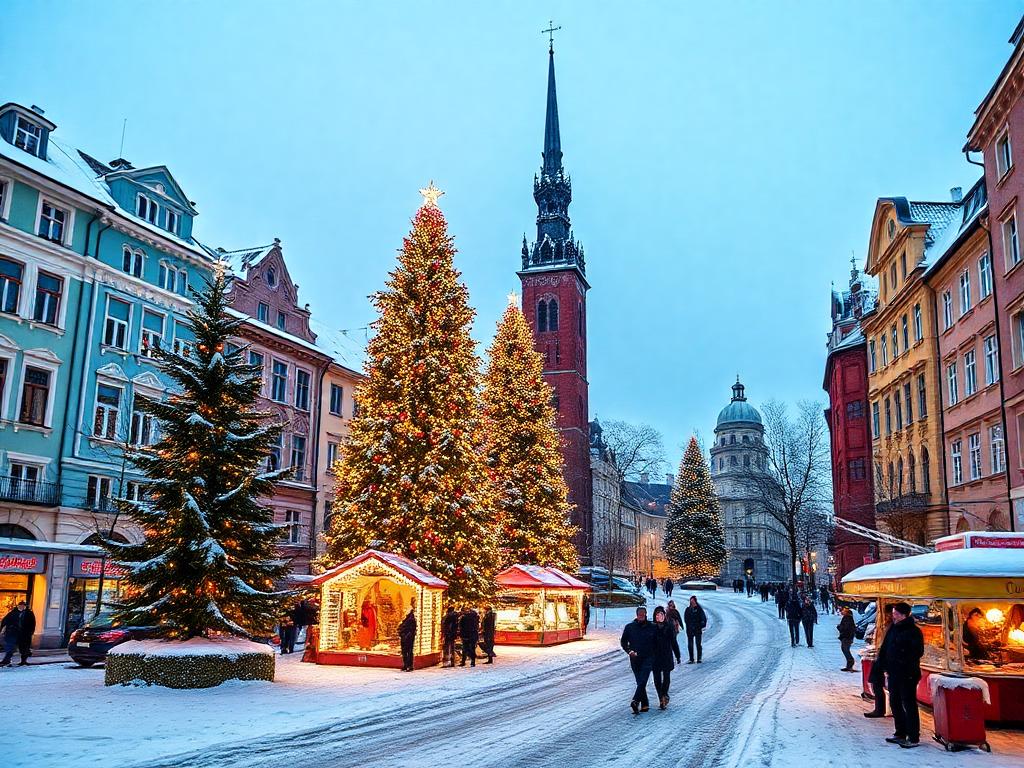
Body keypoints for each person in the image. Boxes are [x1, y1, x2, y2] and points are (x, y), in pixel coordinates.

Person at [881, 602, 925, 749]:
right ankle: (900, 732)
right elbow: (887, 648)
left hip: (908, 673)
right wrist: (885, 665)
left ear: (905, 614)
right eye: (894, 614)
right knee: (895, 702)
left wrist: (901, 658)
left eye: (897, 614)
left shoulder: (913, 631)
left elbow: (918, 652)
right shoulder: (894, 628)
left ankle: (913, 737)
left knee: (909, 704)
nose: (894, 616)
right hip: (894, 672)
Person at [620, 606, 657, 714]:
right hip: (635, 658)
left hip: (648, 657)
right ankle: (645, 704)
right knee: (640, 681)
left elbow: (658, 640)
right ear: (636, 615)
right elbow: (623, 642)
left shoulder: (652, 627)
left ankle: (635, 701)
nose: (641, 616)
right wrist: (629, 651)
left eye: (643, 614)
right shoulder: (630, 627)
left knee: (643, 680)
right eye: (639, 614)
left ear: (646, 614)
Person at [865, 604, 895, 718]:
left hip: (885, 659)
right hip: (882, 657)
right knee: (876, 683)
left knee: (878, 683)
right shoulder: (887, 625)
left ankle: (881, 709)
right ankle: (880, 708)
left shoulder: (893, 627)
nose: (886, 616)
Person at [651, 606, 676, 710]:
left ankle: (664, 694)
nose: (659, 616)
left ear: (664, 616)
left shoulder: (669, 626)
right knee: (657, 679)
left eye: (661, 614)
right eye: (657, 615)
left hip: (666, 655)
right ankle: (661, 697)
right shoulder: (651, 627)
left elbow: (673, 641)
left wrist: (677, 654)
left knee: (666, 677)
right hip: (655, 656)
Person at [0, 600, 35, 667]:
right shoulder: (13, 613)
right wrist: (4, 628)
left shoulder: (29, 613)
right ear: (18, 606)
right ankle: (6, 660)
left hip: (24, 634)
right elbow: (5, 620)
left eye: (23, 606)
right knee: (10, 647)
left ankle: (23, 661)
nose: (21, 607)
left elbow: (32, 623)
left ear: (25, 606)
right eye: (20, 605)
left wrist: (30, 632)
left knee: (24, 648)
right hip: (13, 633)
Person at [683, 595, 707, 663]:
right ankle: (691, 659)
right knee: (690, 645)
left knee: (698, 644)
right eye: (691, 601)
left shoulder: (699, 609)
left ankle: (699, 658)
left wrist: (701, 625)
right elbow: (685, 619)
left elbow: (703, 618)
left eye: (693, 601)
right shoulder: (688, 609)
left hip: (697, 629)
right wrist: (689, 625)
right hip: (690, 630)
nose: (692, 602)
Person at [398, 606, 417, 672]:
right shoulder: (407, 619)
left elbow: (410, 629)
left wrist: (404, 634)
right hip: (406, 638)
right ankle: (406, 665)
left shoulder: (410, 620)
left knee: (408, 651)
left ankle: (409, 665)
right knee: (406, 652)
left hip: (408, 638)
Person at [838, 606, 856, 671]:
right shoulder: (848, 618)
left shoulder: (847, 618)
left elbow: (845, 628)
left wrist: (839, 627)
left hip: (847, 637)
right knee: (845, 650)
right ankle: (849, 664)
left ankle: (850, 663)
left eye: (843, 611)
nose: (841, 612)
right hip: (847, 637)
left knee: (845, 650)